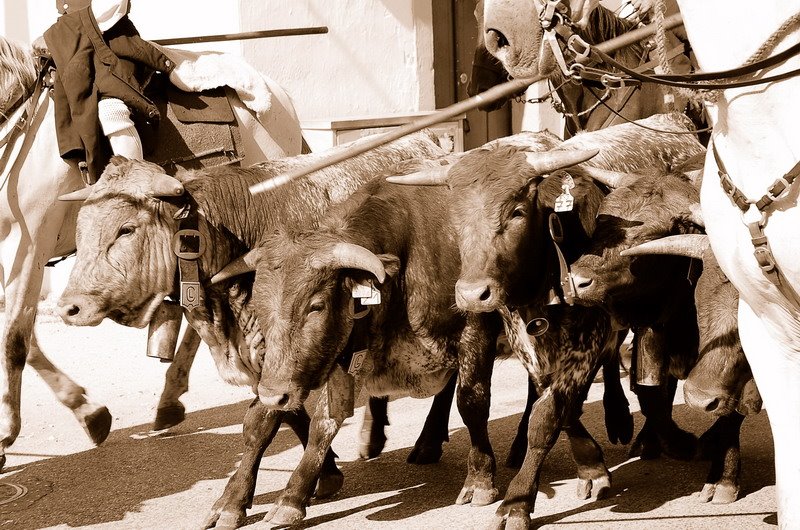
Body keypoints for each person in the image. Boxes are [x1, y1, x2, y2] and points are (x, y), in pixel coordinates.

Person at [42, 0, 175, 180]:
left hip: (113, 44)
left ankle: (135, 186)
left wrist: (56, 34)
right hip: (74, 44)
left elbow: (112, 5)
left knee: (111, 110)